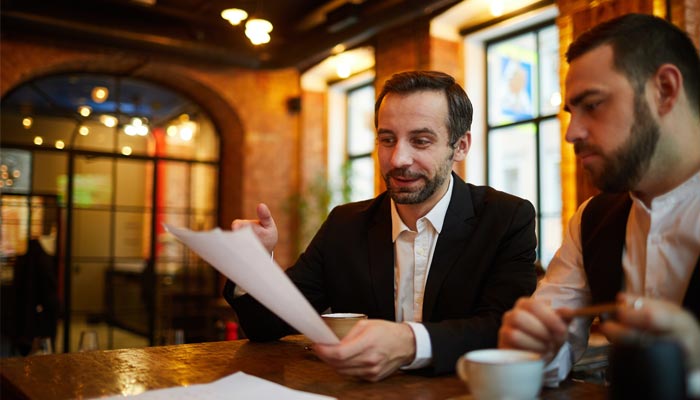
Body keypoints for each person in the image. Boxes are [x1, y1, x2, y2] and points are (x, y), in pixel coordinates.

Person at [225, 70, 538, 381]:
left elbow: (504, 329)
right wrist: (251, 262)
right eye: (387, 139)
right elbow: (265, 324)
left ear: (460, 146)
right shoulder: (345, 225)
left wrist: (410, 343)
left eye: (421, 141)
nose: (398, 158)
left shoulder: (505, 218)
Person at [497, 13, 700, 391]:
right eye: (571, 113)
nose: (572, 133)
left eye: (593, 105)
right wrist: (529, 347)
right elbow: (548, 355)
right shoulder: (592, 220)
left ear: (666, 90)